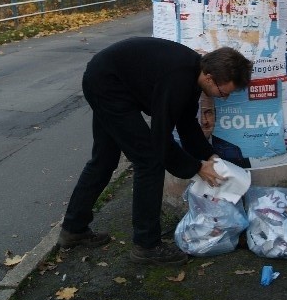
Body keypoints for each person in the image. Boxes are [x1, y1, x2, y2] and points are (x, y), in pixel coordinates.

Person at [57, 37, 253, 265]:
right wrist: (197, 167)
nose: (223, 97)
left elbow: (186, 123)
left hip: (109, 78)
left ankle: (73, 229)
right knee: (149, 161)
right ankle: (146, 245)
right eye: (223, 92)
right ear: (210, 77)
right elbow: (161, 138)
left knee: (104, 160)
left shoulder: (193, 75)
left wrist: (209, 155)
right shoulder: (179, 79)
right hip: (106, 84)